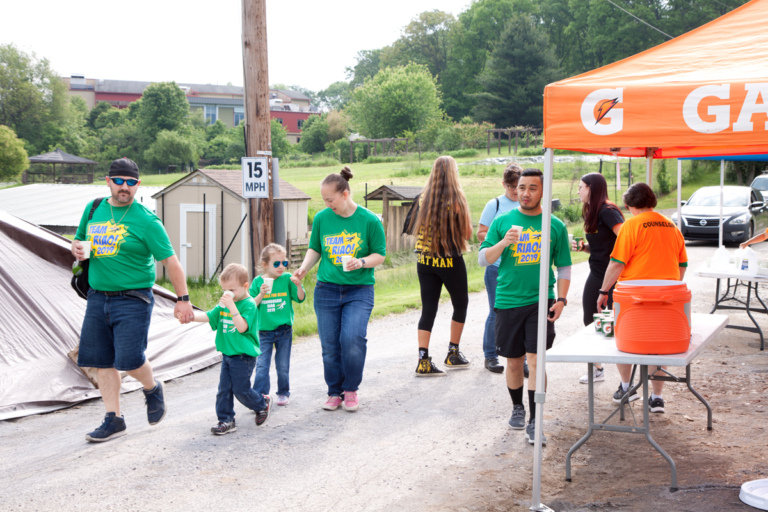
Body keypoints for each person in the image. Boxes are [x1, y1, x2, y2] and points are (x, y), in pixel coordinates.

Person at [71, 157, 194, 442]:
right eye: (119, 181)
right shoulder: (93, 210)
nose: (124, 187)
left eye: (130, 183)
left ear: (137, 185)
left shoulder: (147, 221)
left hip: (134, 298)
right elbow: (77, 241)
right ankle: (114, 419)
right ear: (108, 181)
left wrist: (183, 299)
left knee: (129, 359)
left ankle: (151, 388)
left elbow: (171, 262)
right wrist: (77, 248)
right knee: (102, 362)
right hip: (97, 296)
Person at [479, 168, 572, 445]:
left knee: (536, 359)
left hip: (540, 301)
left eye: (532, 188)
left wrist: (562, 300)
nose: (526, 193)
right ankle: (517, 407)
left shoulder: (554, 225)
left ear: (543, 191)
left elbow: (564, 266)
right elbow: (483, 258)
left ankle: (535, 419)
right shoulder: (503, 221)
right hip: (507, 300)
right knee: (514, 361)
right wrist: (504, 242)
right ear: (515, 189)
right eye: (521, 188)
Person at [293, 166, 386, 412]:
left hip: (359, 289)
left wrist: (362, 262)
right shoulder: (323, 218)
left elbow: (381, 254)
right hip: (327, 290)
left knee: (352, 339)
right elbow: (315, 249)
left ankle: (351, 390)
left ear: (345, 194)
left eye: (330, 199)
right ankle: (334, 392)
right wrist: (304, 269)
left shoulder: (369, 220)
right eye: (324, 199)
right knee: (330, 344)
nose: (326, 204)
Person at [597, 182, 687, 414]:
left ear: (629, 206)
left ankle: (627, 387)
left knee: (625, 343)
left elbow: (617, 263)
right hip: (667, 297)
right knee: (660, 347)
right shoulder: (671, 226)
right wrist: (670, 286)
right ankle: (657, 398)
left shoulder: (631, 225)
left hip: (634, 297)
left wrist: (603, 290)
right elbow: (682, 265)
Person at [408, 155, 474, 377]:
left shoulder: (422, 198)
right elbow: (468, 233)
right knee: (460, 304)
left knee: (428, 309)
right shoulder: (457, 199)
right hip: (449, 259)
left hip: (425, 260)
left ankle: (423, 360)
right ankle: (452, 353)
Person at [188, 263, 271, 434]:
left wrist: (232, 306)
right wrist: (189, 317)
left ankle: (262, 403)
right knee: (224, 389)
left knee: (241, 390)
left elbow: (241, 327)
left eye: (231, 290)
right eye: (225, 290)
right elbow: (210, 315)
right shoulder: (226, 303)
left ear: (245, 286)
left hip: (243, 356)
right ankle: (226, 420)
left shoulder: (248, 305)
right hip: (227, 353)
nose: (227, 294)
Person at [573, 173, 624, 384]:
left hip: (612, 274)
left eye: (581, 187)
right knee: (591, 318)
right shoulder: (592, 211)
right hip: (596, 272)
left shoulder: (607, 210)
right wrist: (585, 247)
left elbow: (626, 238)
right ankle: (598, 367)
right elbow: (602, 245)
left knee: (611, 321)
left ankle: (620, 368)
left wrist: (616, 263)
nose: (578, 191)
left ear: (592, 188)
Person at [477, 164, 522, 374]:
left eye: (518, 186)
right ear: (503, 184)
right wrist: (501, 241)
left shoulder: (527, 205)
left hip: (521, 265)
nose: (515, 190)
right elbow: (480, 233)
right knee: (496, 311)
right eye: (511, 186)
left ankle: (522, 358)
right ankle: (490, 355)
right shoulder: (494, 204)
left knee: (523, 311)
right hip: (497, 267)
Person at [250, 243, 306, 406]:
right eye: (276, 263)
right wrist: (261, 293)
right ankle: (260, 397)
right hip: (263, 332)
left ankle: (283, 392)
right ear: (265, 265)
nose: (281, 267)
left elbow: (300, 298)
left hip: (284, 331)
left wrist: (298, 284)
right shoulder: (257, 282)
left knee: (282, 365)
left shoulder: (288, 279)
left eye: (284, 263)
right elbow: (251, 306)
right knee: (262, 366)